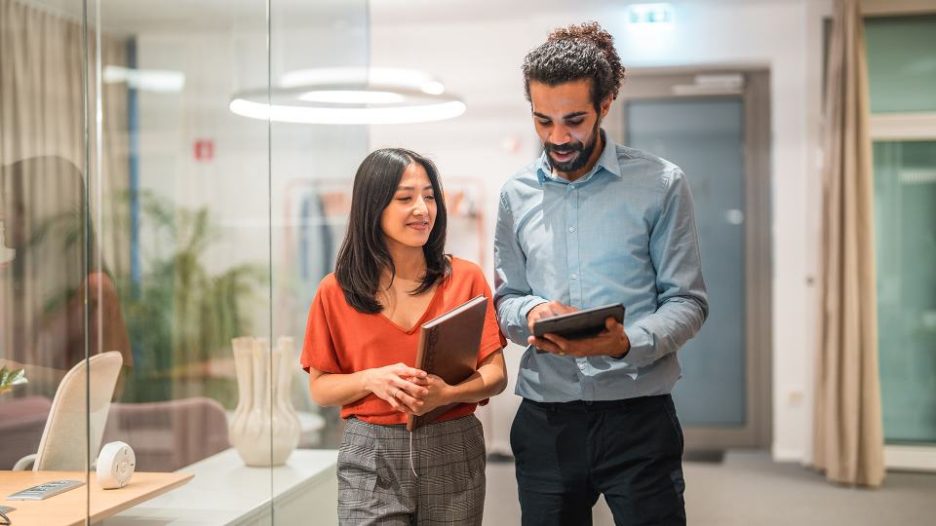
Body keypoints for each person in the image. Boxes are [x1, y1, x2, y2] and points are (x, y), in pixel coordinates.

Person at [494, 22, 709, 525]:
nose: (558, 137)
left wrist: (622, 342)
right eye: (543, 121)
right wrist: (531, 311)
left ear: (606, 104)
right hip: (547, 422)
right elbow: (507, 299)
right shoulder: (515, 194)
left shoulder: (661, 184)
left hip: (639, 418)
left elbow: (688, 301)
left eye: (574, 120)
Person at [301, 148, 507, 525]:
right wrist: (370, 379)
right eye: (405, 198)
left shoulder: (466, 279)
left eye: (429, 196)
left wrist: (449, 394)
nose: (422, 209)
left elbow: (495, 376)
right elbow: (320, 388)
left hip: (453, 444)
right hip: (371, 452)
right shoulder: (335, 291)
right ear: (373, 207)